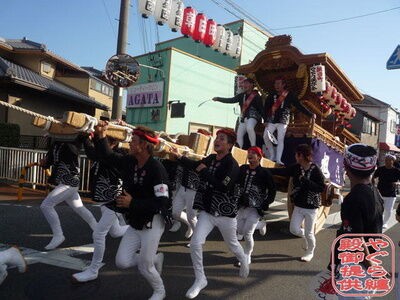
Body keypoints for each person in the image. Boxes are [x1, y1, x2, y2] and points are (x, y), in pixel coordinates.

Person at [95, 123, 171, 300]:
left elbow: (162, 202)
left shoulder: (157, 169)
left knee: (145, 266)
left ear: (144, 145)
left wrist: (133, 203)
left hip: (153, 222)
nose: (129, 143)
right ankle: (154, 259)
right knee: (122, 262)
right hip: (136, 221)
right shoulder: (130, 161)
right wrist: (101, 135)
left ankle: (160, 291)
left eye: (133, 140)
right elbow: (108, 156)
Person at [171, 128, 249, 299]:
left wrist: (203, 172)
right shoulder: (211, 159)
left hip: (225, 215)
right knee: (196, 243)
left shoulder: (232, 165)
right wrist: (179, 157)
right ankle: (200, 279)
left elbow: (223, 186)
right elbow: (195, 165)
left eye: (222, 139)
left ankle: (243, 259)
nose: (217, 140)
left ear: (229, 145)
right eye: (216, 138)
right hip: (207, 212)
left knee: (232, 244)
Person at [72, 134, 129, 282]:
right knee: (115, 232)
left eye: (106, 141)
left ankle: (93, 270)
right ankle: (136, 229)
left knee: (98, 234)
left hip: (114, 199)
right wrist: (85, 136)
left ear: (115, 143)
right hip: (104, 200)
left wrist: (90, 139)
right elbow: (92, 151)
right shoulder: (100, 153)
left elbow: (99, 153)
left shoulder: (118, 155)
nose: (100, 144)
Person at [333, 143, 383, 300]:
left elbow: (356, 238)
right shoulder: (375, 192)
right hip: (371, 260)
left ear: (345, 167)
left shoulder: (353, 199)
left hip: (356, 268)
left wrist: (370, 267)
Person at [39, 137, 97, 250]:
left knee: (46, 205)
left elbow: (81, 150)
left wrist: (81, 135)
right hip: (62, 182)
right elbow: (50, 160)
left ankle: (58, 235)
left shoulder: (74, 140)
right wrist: (44, 163)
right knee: (80, 209)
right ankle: (99, 230)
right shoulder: (55, 142)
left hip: (70, 181)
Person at [270, 144, 325, 262]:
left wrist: (305, 181)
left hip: (311, 206)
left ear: (302, 156)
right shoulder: (296, 168)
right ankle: (306, 237)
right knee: (294, 229)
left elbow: (321, 187)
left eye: (297, 154)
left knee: (310, 233)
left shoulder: (315, 170)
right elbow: (282, 171)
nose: (295, 156)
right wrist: (262, 169)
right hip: (299, 205)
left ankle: (310, 252)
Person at [234, 146, 276, 266]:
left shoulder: (265, 173)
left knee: (247, 234)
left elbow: (272, 190)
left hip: (255, 208)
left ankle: (247, 255)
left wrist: (266, 202)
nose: (250, 155)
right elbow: (235, 182)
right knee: (239, 230)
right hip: (241, 206)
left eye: (253, 153)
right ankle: (262, 224)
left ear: (259, 157)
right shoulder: (242, 169)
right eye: (249, 153)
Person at [263, 77, 314, 165]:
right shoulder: (271, 95)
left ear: (283, 85)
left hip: (283, 120)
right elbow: (266, 108)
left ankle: (278, 159)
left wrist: (310, 114)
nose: (277, 86)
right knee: (265, 136)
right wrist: (265, 119)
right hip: (271, 119)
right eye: (275, 84)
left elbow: (299, 105)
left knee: (280, 139)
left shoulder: (289, 95)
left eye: (279, 84)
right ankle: (272, 155)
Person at [212, 78, 263, 148]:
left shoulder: (256, 96)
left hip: (253, 117)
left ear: (251, 85)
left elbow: (261, 109)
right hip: (244, 118)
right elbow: (231, 100)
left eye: (247, 83)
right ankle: (239, 150)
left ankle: (253, 146)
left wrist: (265, 120)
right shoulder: (242, 95)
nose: (244, 85)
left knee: (249, 127)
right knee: (239, 135)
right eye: (244, 83)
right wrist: (218, 99)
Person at [372, 153, 400, 229]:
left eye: (389, 160)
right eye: (386, 160)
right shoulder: (380, 169)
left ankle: (385, 223)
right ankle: (378, 222)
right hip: (379, 192)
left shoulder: (396, 171)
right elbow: (373, 177)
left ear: (393, 161)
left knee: (388, 210)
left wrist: (397, 183)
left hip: (391, 194)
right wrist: (373, 184)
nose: (387, 161)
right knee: (378, 209)